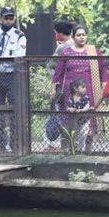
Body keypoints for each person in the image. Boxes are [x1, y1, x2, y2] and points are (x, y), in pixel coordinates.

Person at [51, 25, 107, 154]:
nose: (82, 37)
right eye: (78, 35)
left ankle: (87, 151)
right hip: (69, 93)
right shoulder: (66, 52)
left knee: (89, 121)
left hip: (89, 91)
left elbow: (103, 69)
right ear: (73, 37)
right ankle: (69, 150)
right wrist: (54, 87)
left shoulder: (94, 51)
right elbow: (58, 72)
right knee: (69, 120)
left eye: (84, 35)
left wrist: (104, 85)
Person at [0, 7, 27, 153]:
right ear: (1, 19)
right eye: (6, 18)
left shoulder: (19, 36)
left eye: (11, 18)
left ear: (14, 19)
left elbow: (19, 56)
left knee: (15, 110)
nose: (9, 20)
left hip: (12, 76)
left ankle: (15, 145)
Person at [44, 20, 75, 151]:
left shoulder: (62, 48)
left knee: (60, 116)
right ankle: (72, 147)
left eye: (56, 33)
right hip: (76, 86)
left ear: (60, 34)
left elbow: (51, 66)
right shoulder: (76, 45)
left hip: (61, 86)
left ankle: (64, 147)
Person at [65, 79, 92, 153]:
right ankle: (74, 150)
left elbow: (87, 105)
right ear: (76, 88)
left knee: (83, 134)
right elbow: (68, 108)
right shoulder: (71, 99)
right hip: (75, 122)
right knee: (75, 135)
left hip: (84, 121)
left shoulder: (85, 98)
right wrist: (71, 109)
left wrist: (82, 110)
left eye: (85, 87)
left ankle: (81, 150)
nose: (85, 89)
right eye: (83, 87)